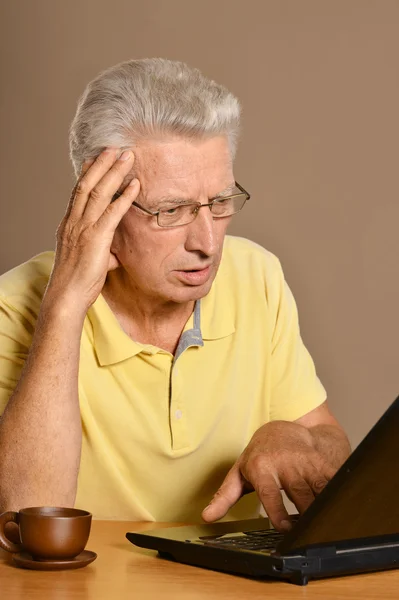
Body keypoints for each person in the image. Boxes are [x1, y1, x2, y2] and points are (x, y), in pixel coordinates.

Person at [0, 58, 350, 530]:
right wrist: (64, 306)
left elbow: (332, 447)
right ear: (99, 199)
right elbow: (28, 517)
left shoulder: (256, 275)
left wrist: (291, 438)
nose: (206, 242)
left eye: (221, 202)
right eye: (172, 210)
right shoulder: (14, 305)